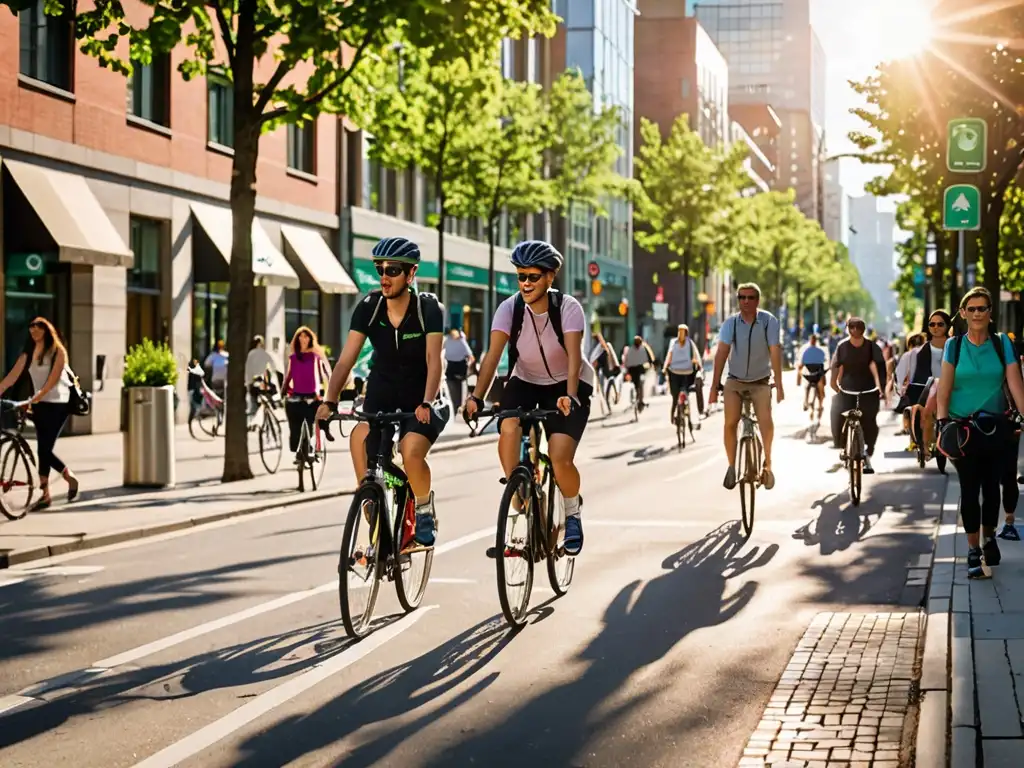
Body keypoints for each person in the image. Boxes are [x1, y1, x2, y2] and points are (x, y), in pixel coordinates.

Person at [464, 240, 593, 556]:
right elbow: (493, 357)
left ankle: (572, 513)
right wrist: (476, 397)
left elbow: (574, 357)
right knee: (508, 427)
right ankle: (518, 495)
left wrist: (570, 395)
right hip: (525, 380)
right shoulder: (509, 309)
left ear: (550, 277)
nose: (525, 283)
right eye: (520, 276)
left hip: (569, 383)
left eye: (533, 276)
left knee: (561, 458)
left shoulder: (568, 308)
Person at [317, 236, 445, 548]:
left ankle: (424, 509)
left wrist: (427, 401)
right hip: (382, 389)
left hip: (422, 393)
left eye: (393, 270)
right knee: (359, 437)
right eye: (380, 269)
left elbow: (434, 360)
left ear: (411, 273)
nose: (385, 276)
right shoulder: (369, 308)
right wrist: (328, 400)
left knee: (411, 451)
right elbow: (346, 359)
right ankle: (370, 499)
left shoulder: (428, 309)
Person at [936, 287, 1024, 578]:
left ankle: (989, 538)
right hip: (963, 429)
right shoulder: (954, 346)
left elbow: (1015, 384)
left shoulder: (1002, 344)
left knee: (992, 488)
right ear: (962, 314)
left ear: (990, 313)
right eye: (971, 309)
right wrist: (941, 423)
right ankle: (973, 549)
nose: (977, 313)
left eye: (982, 308)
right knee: (970, 489)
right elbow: (944, 389)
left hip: (997, 427)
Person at [708, 282, 784, 490]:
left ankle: (767, 464)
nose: (746, 301)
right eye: (742, 297)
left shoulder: (769, 322)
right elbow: (722, 353)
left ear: (757, 300)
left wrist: (779, 382)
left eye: (750, 298)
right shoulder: (730, 324)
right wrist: (714, 387)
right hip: (735, 380)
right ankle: (732, 466)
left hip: (760, 382)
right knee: (730, 421)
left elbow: (775, 350)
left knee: (765, 419)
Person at [0, 318, 79, 511]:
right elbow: (12, 376)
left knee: (44, 449)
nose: (34, 331)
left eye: (38, 327)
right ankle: (45, 495)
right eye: (31, 328)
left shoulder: (58, 352)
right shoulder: (28, 354)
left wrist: (35, 397)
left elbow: (52, 381)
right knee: (43, 449)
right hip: (40, 405)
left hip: (59, 404)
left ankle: (68, 477)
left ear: (46, 330)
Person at [830, 317, 887, 474]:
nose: (855, 330)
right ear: (848, 328)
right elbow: (835, 365)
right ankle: (841, 445)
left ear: (863, 329)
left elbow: (880, 367)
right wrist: (833, 383)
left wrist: (881, 387)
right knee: (836, 412)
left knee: (869, 421)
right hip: (847, 389)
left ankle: (868, 451)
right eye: (852, 327)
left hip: (868, 390)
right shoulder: (842, 346)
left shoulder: (871, 347)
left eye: (858, 327)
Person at [904, 311, 951, 457]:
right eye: (932, 324)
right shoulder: (923, 350)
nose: (936, 327)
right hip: (931, 385)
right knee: (927, 411)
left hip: (954, 384)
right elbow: (919, 373)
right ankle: (924, 447)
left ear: (947, 325)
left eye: (940, 324)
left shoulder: (955, 344)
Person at [282, 327, 331, 459]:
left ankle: (323, 435)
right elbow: (289, 376)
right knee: (295, 424)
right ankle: (299, 451)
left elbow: (324, 373)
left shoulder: (316, 356)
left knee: (318, 418)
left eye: (306, 336)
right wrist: (283, 390)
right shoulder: (293, 357)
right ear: (297, 339)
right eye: (300, 336)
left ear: (310, 338)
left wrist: (327, 391)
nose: (303, 339)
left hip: (313, 394)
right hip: (297, 394)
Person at [664, 324, 705, 424]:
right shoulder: (690, 343)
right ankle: (689, 408)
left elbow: (669, 355)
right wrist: (699, 367)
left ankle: (673, 416)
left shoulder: (673, 342)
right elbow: (697, 357)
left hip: (674, 372)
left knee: (675, 397)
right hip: (688, 372)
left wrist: (665, 368)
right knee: (686, 390)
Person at [795, 333, 829, 418]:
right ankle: (820, 405)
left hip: (810, 375)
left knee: (807, 386)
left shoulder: (806, 351)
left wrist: (798, 378)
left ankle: (808, 402)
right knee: (821, 387)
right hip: (818, 375)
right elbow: (824, 361)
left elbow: (801, 365)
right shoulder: (819, 351)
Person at [443, 328, 475, 413]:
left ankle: (456, 406)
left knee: (453, 387)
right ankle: (459, 405)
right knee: (460, 387)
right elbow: (471, 357)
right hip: (458, 368)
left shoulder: (448, 341)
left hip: (452, 367)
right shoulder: (461, 341)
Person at [244, 335, 278, 415]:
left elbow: (248, 369)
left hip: (254, 382)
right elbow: (273, 366)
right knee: (268, 394)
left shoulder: (251, 354)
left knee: (253, 401)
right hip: (264, 381)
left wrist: (248, 382)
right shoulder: (265, 353)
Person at [622, 335, 656, 411]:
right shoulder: (641, 348)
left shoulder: (633, 349)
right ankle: (639, 398)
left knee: (639, 383)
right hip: (637, 369)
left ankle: (639, 397)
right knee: (639, 384)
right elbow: (649, 358)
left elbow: (627, 361)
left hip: (635, 369)